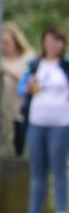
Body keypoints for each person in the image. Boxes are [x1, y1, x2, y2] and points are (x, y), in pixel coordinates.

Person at [10, 25, 69, 213]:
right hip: (36, 122)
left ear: (63, 44)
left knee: (59, 169)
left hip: (61, 122)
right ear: (43, 42)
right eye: (49, 40)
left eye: (57, 40)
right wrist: (27, 87)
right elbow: (22, 88)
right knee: (37, 170)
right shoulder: (34, 64)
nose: (52, 45)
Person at [2, 23, 36, 157]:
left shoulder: (29, 58)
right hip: (3, 115)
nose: (3, 44)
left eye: (6, 41)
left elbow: (29, 80)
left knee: (16, 150)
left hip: (19, 113)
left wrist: (7, 70)